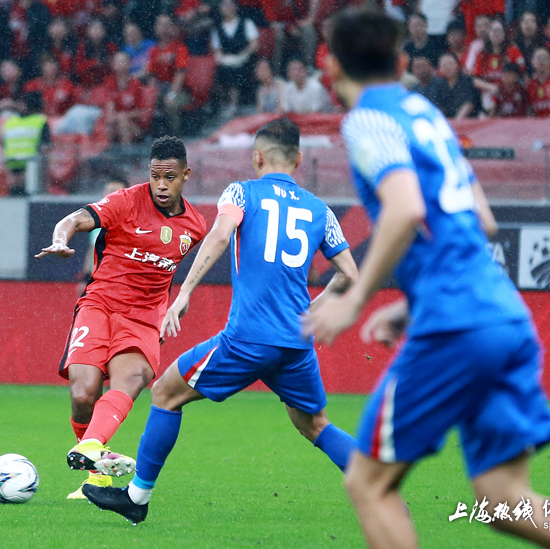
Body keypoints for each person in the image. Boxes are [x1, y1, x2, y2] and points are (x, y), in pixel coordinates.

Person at [310, 8, 550, 549]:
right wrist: (413, 302)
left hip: (455, 323)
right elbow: (482, 219)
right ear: (401, 61)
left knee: (368, 482)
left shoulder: (367, 119)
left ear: (332, 66)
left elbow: (405, 207)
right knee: (503, 498)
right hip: (502, 313)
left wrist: (355, 298)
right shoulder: (426, 114)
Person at [82, 117, 361, 525]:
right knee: (316, 424)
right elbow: (350, 273)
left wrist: (184, 292)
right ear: (299, 160)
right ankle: (376, 483)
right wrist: (314, 311)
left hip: (248, 337)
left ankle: (137, 498)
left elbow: (219, 234)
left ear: (257, 158)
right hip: (295, 342)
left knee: (165, 394)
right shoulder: (321, 210)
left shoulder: (242, 192)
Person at [35, 136, 207, 500]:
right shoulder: (126, 201)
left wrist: (179, 301)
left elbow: (171, 272)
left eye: (170, 177)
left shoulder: (195, 226)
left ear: (186, 175)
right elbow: (76, 219)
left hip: (144, 317)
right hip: (100, 305)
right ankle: (96, 470)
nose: (161, 185)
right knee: (84, 393)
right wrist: (60, 239)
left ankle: (92, 451)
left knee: (131, 380)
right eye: (155, 176)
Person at [76, 178, 130, 295]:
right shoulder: (97, 221)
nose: (112, 195)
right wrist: (85, 278)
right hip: (98, 281)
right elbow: (92, 250)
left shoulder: (133, 222)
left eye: (116, 192)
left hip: (123, 283)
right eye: (109, 191)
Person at [210, 0, 259, 118]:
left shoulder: (246, 23)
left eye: (229, 5)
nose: (226, 8)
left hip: (245, 60)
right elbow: (217, 48)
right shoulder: (217, 27)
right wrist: (222, 58)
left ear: (235, 7)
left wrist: (242, 56)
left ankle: (233, 105)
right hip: (226, 60)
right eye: (224, 5)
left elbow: (254, 44)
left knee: (234, 71)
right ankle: (223, 104)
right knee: (217, 72)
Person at [2, 92, 50, 196]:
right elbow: (3, 148)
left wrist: (41, 176)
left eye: (21, 102)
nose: (18, 105)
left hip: (32, 172)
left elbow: (44, 150)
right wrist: (7, 172)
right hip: (13, 172)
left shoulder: (40, 121)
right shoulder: (10, 122)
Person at [103, 52, 147, 144]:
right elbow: (109, 104)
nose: (120, 64)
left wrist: (124, 115)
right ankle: (107, 150)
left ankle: (126, 150)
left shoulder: (136, 84)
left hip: (133, 125)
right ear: (113, 64)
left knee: (123, 121)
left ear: (129, 64)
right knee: (109, 122)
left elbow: (140, 111)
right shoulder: (109, 82)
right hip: (115, 121)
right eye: (117, 61)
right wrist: (113, 116)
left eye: (123, 61)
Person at [427, 53, 480, 119]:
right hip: (448, 120)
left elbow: (468, 104)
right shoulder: (439, 84)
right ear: (439, 68)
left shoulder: (466, 80)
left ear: (457, 65)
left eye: (450, 64)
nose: (447, 67)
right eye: (444, 65)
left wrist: (457, 121)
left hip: (468, 119)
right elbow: (438, 107)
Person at [526, 47, 550, 117]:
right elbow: (529, 108)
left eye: (544, 58)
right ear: (532, 62)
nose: (541, 61)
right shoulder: (530, 84)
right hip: (536, 122)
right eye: (538, 58)